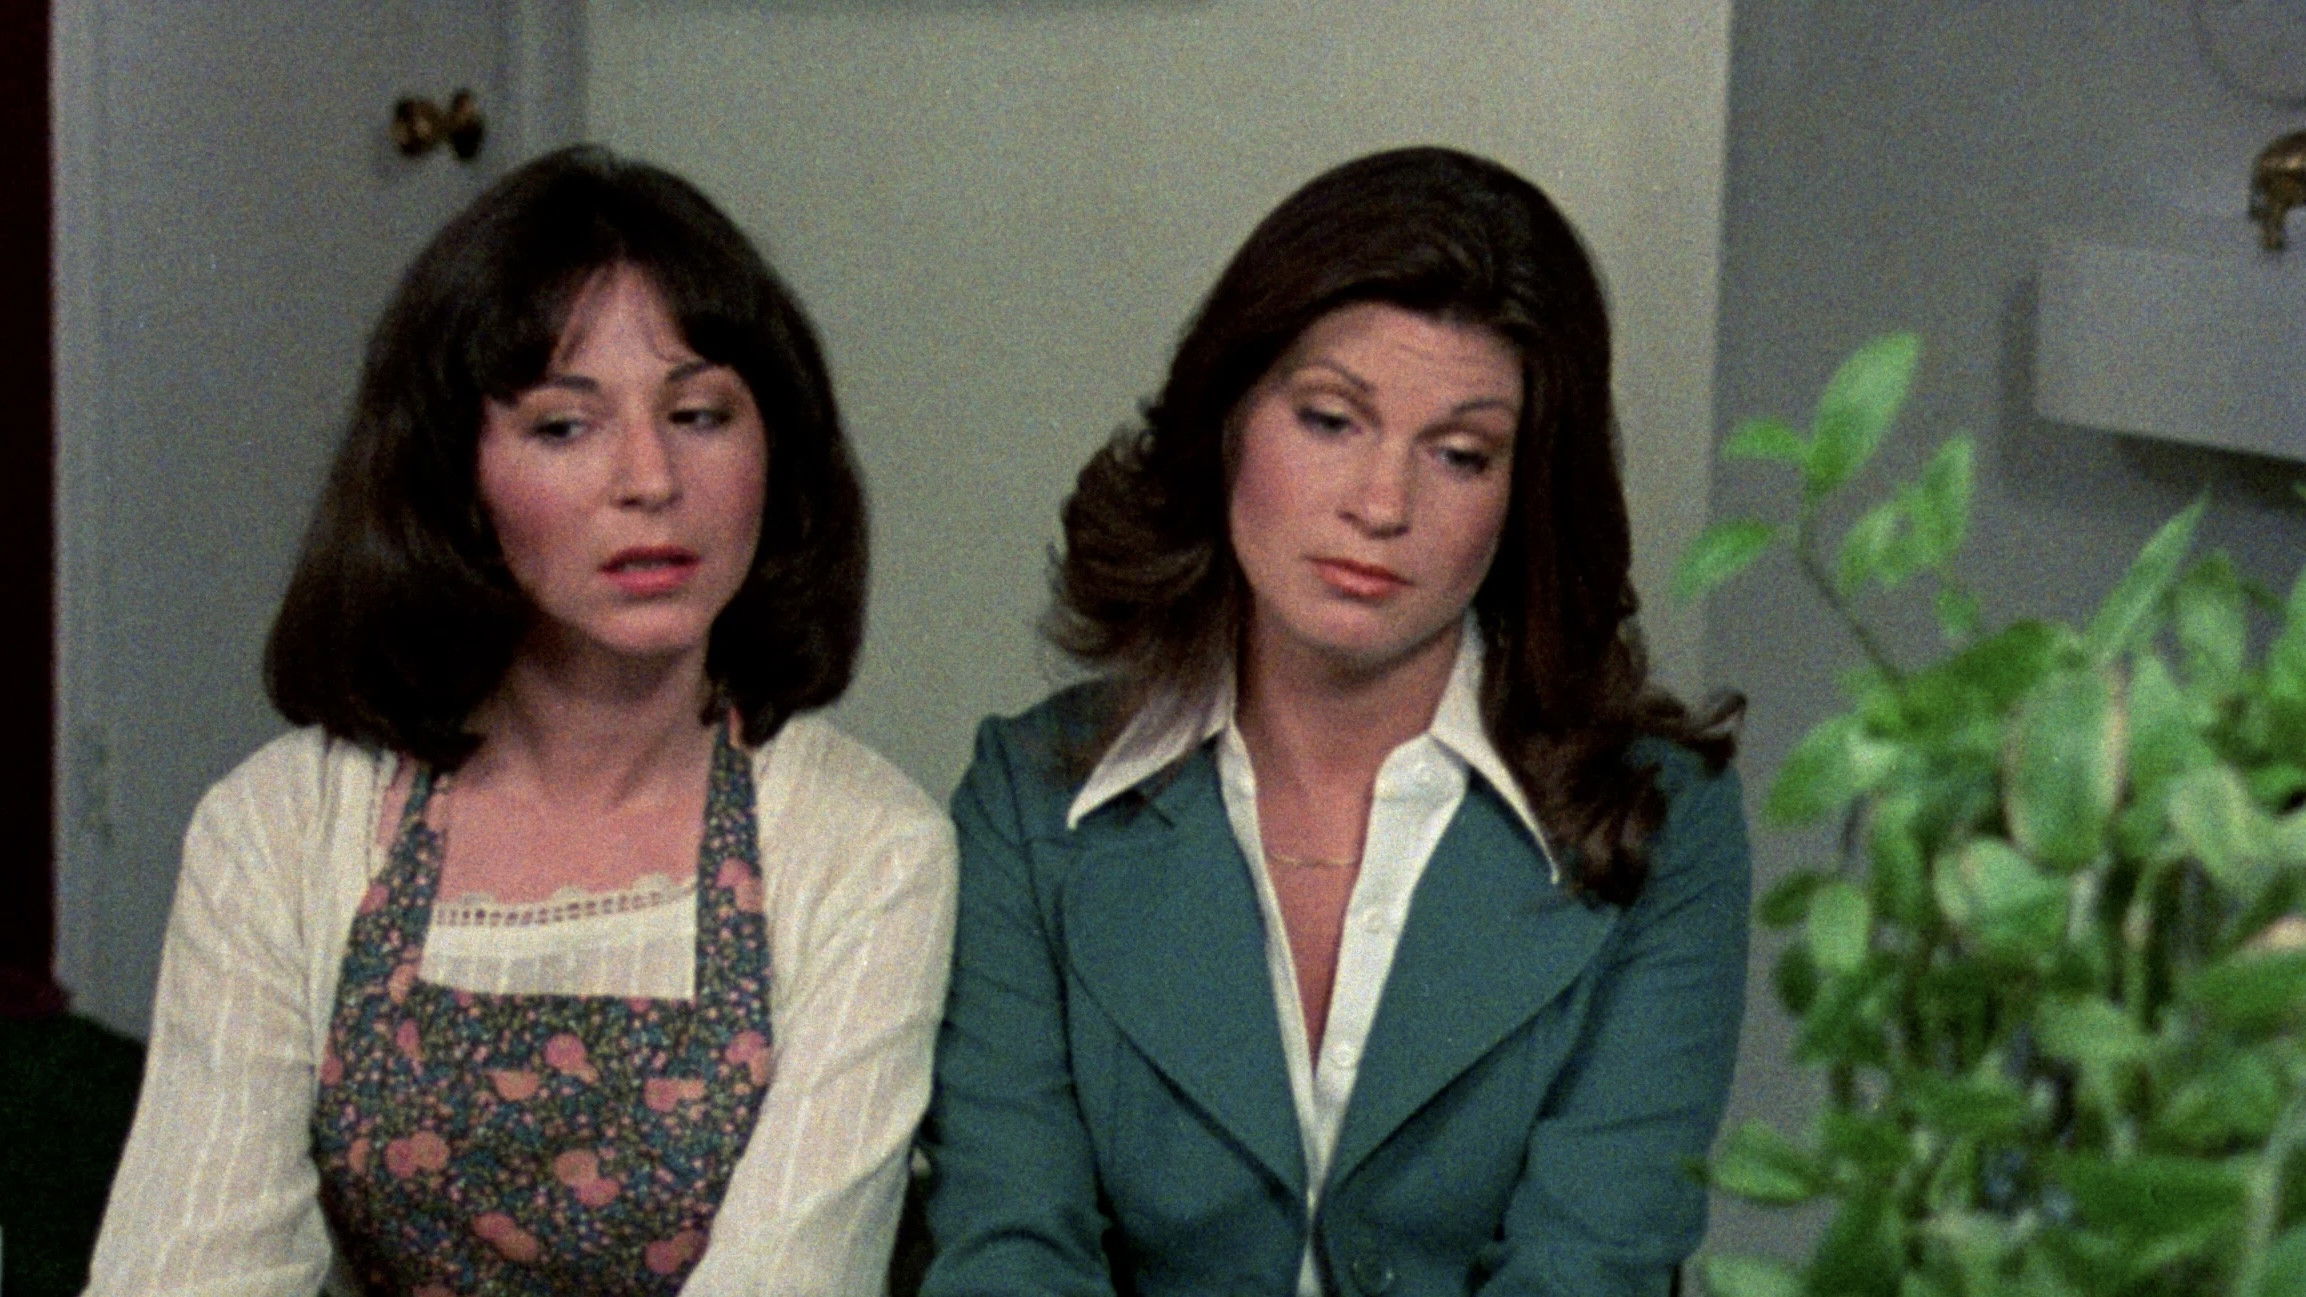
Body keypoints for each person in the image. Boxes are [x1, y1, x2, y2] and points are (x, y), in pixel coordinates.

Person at [84, 147, 956, 1296]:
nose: (649, 479)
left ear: (776, 452)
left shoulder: (865, 848)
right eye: (562, 427)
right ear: (453, 477)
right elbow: (187, 1269)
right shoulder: (282, 828)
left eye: (699, 414)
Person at [918, 146, 1749, 1297]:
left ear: (1523, 494)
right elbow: (1009, 1254)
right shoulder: (1027, 802)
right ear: (1227, 420)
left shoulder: (1662, 820)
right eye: (1328, 420)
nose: (1379, 504)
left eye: (1458, 454)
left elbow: (1590, 1268)